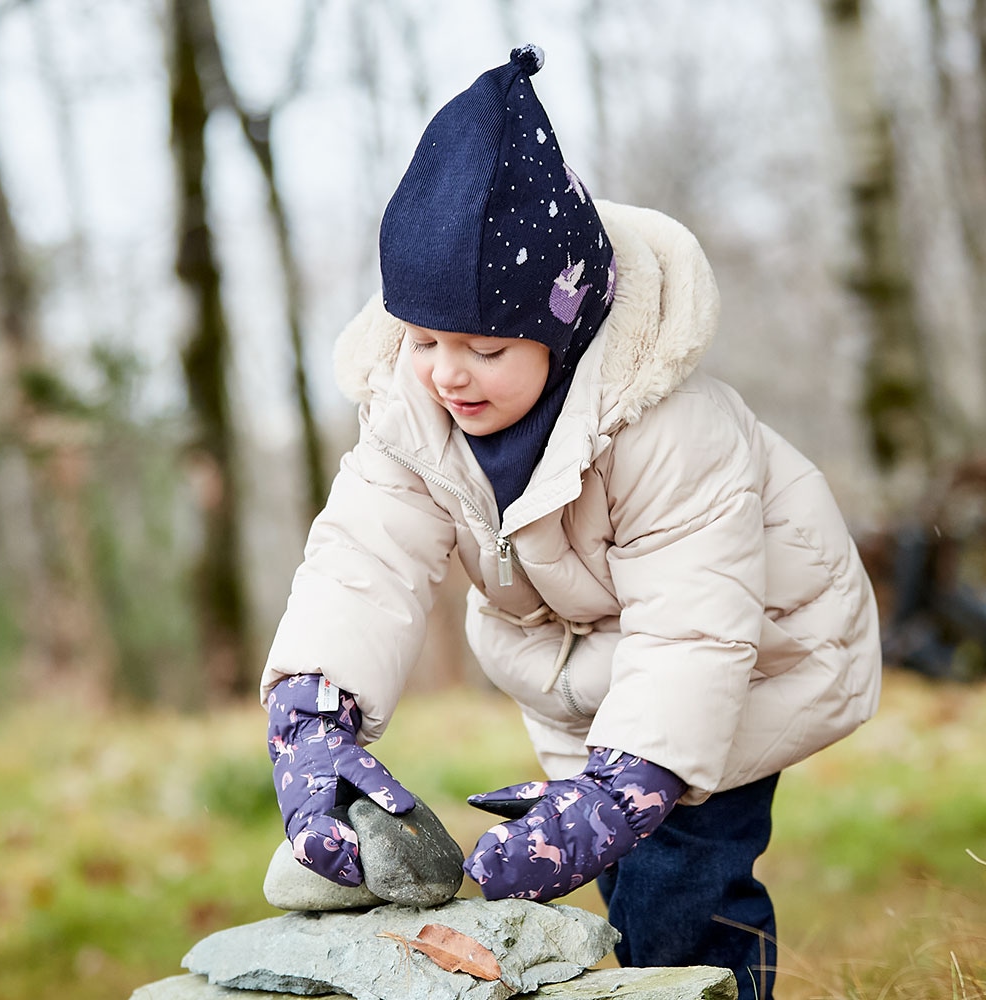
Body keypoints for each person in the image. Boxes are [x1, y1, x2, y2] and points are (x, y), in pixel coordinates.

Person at [262, 45, 881, 1000]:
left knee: (683, 882)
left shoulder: (672, 430)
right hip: (587, 674)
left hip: (749, 650)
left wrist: (615, 792)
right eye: (423, 340)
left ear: (567, 325)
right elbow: (362, 563)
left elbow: (694, 630)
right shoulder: (411, 421)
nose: (446, 374)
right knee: (630, 888)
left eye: (485, 347)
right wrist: (311, 724)